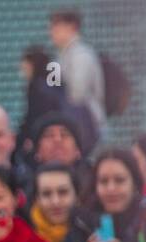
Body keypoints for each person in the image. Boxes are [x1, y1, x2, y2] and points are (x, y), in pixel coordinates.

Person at [49, 9, 105, 144]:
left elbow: (77, 95)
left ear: (71, 27)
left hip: (86, 125)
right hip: (69, 124)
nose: (51, 33)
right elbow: (52, 87)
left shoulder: (82, 55)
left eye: (55, 27)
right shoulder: (59, 57)